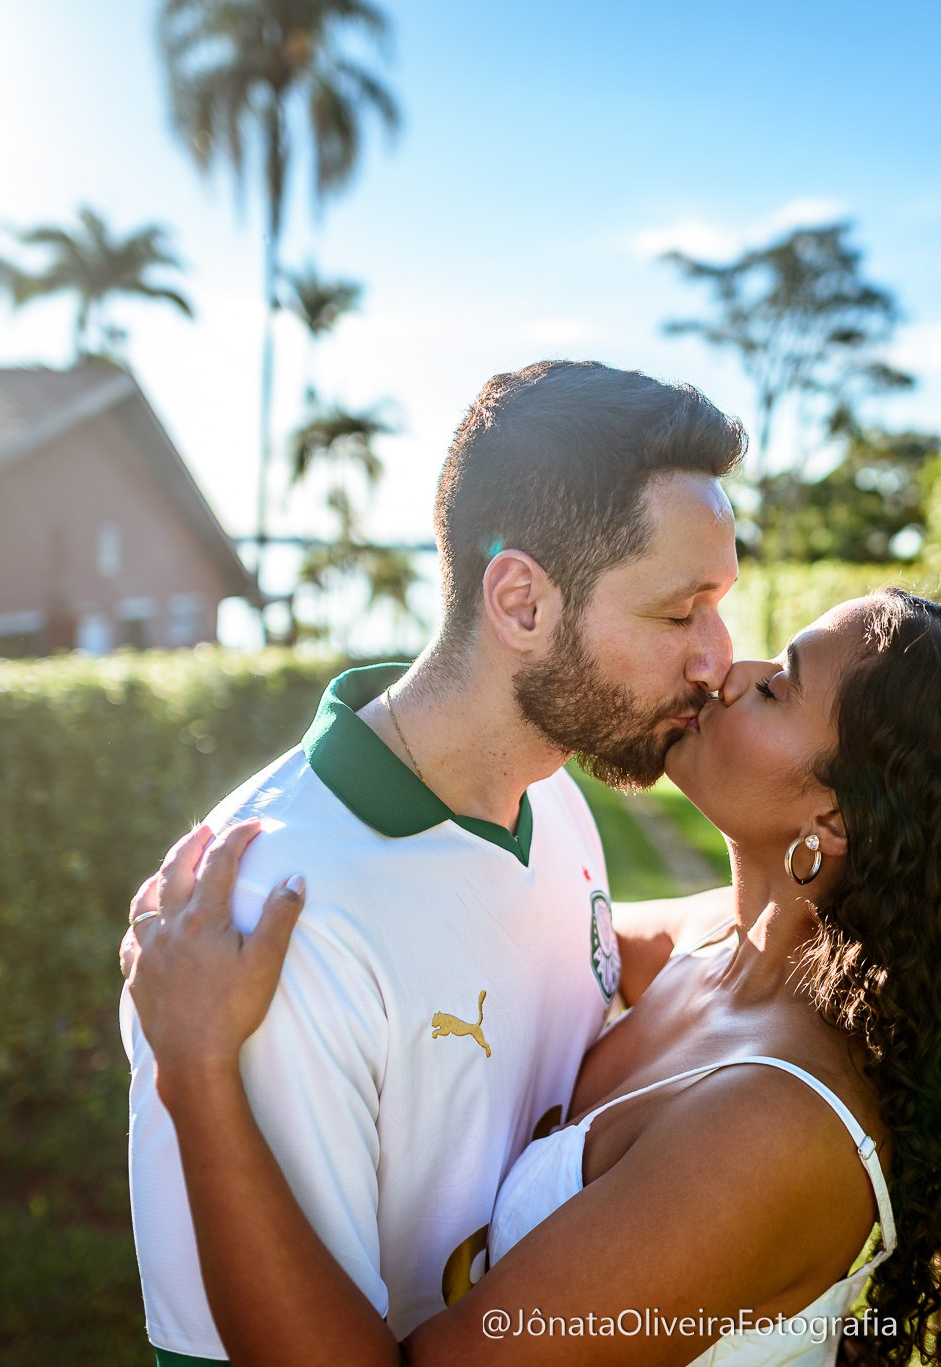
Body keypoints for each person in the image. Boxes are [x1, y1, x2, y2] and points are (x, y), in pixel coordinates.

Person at [126, 589, 941, 1367]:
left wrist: (200, 1069)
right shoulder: (717, 944)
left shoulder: (769, 1130)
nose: (727, 671)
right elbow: (506, 921)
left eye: (778, 689)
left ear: (832, 823)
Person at [120, 359, 747, 1364]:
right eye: (679, 613)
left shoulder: (551, 796)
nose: (717, 655)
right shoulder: (277, 917)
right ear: (521, 601)